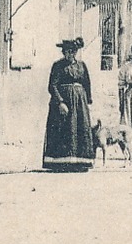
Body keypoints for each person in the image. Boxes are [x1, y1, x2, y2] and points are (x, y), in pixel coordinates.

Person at [41, 37, 95, 171]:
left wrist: (87, 102)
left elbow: (86, 84)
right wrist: (60, 102)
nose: (71, 54)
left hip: (79, 104)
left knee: (80, 129)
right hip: (64, 102)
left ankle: (80, 162)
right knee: (64, 129)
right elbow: (52, 86)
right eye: (68, 51)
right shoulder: (58, 66)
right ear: (63, 52)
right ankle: (61, 162)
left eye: (73, 51)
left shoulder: (82, 66)